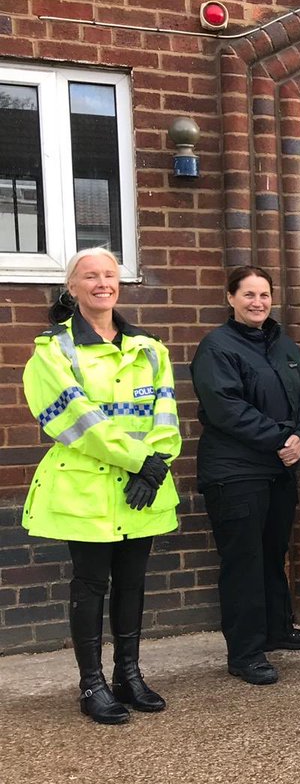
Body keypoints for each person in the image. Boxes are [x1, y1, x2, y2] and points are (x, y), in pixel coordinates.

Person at [21, 248, 181, 724]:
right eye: (90, 276)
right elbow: (77, 419)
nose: (102, 283)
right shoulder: (54, 349)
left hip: (143, 486)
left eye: (109, 275)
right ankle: (92, 683)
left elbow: (166, 413)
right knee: (91, 585)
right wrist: (142, 462)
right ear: (72, 288)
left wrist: (157, 464)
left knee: (132, 582)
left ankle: (128, 675)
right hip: (86, 489)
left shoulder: (151, 348)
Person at [191, 266, 300, 686]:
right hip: (235, 472)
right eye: (248, 294)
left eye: (264, 294)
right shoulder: (217, 347)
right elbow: (226, 408)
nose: (257, 302)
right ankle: (245, 652)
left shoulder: (283, 344)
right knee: (243, 561)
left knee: (272, 552)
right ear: (230, 298)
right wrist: (284, 439)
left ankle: (277, 629)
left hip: (278, 469)